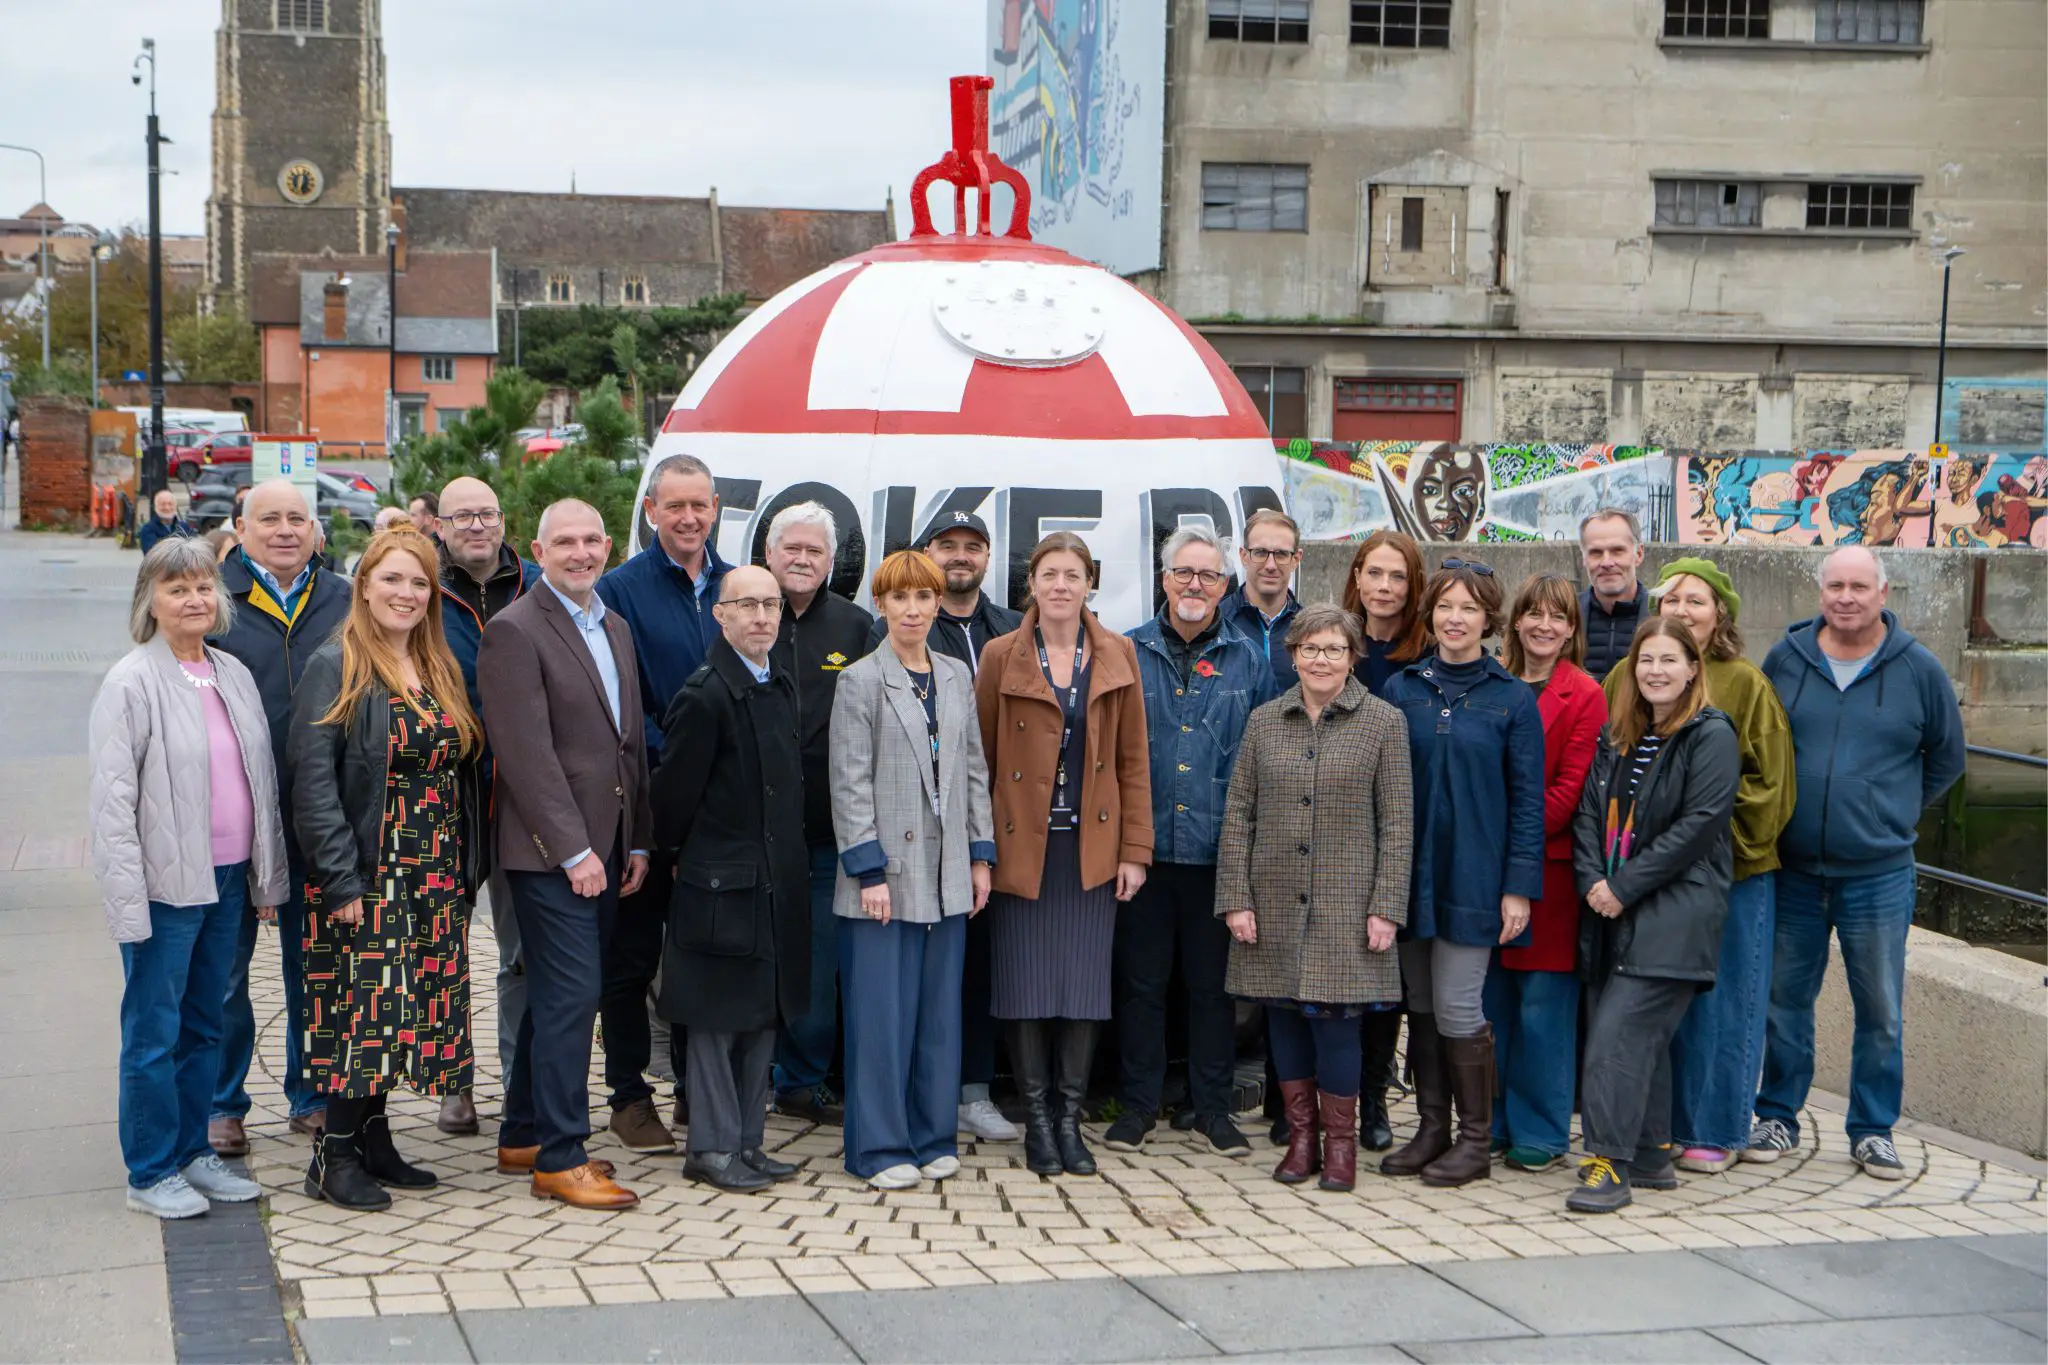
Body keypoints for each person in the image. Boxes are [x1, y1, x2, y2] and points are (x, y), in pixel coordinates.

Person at [1749, 547, 1965, 1179]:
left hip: (1878, 874)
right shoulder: (1785, 661)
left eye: (1859, 587)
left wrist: (1888, 812)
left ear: (1883, 592)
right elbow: (1759, 748)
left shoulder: (1919, 670)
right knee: (1784, 1000)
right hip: (1791, 869)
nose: (1846, 597)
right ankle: (1778, 1115)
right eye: (1835, 586)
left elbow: (1946, 759)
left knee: (1882, 1008)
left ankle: (1872, 1129)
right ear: (1820, 592)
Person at [285, 527, 484, 1210]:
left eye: (419, 583)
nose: (406, 593)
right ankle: (332, 1156)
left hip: (429, 870)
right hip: (369, 870)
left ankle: (374, 1139)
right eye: (392, 579)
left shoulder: (435, 665)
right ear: (363, 585)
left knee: (402, 1010)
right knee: (361, 1010)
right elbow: (312, 782)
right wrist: (339, 878)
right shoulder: (335, 665)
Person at [91, 539, 288, 1219]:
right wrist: (126, 901)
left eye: (204, 587)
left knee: (208, 1022)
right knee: (155, 1030)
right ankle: (150, 1169)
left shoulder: (231, 672)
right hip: (165, 886)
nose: (195, 599)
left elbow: (258, 781)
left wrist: (267, 878)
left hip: (228, 879)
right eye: (178, 589)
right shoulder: (131, 681)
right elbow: (112, 802)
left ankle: (192, 1152)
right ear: (150, 600)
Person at [479, 499, 653, 1210]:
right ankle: (561, 1154)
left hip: (611, 848)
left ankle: (523, 1129)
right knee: (573, 999)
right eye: (564, 542)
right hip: (551, 855)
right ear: (537, 549)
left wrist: (635, 836)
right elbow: (526, 756)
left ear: (608, 545)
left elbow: (628, 743)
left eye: (590, 540)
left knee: (561, 993)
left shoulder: (612, 624)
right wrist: (575, 850)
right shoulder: (514, 630)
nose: (579, 552)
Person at [1217, 605, 1412, 1193]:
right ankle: (1301, 1140)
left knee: (1336, 1025)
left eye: (1333, 649)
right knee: (1284, 1019)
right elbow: (1239, 815)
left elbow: (1398, 823)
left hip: (1348, 905)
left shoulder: (1383, 723)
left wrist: (1387, 907)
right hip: (1273, 897)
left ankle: (1342, 1146)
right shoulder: (1264, 722)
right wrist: (1235, 897)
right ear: (1292, 654)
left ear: (1353, 657)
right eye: (1309, 648)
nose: (1320, 659)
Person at [976, 533, 1152, 1177]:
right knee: (1024, 988)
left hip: (1091, 849)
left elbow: (1134, 760)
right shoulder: (1000, 656)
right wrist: (980, 849)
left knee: (1082, 991)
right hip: (1023, 847)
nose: (1060, 585)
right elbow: (983, 761)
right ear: (1032, 582)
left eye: (1072, 575)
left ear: (1090, 584)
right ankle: (1038, 1122)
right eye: (1049, 574)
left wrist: (1135, 850)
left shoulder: (1118, 654)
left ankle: (1071, 1120)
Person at [828, 551, 995, 1187]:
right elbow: (849, 784)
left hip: (947, 873)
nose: (914, 609)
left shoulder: (954, 676)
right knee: (881, 1017)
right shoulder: (861, 681)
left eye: (923, 598)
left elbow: (975, 771)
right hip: (885, 878)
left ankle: (932, 1136)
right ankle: (879, 1148)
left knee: (936, 1015)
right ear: (882, 605)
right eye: (900, 598)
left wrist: (981, 857)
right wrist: (870, 872)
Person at [1106, 527, 1273, 1158]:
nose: (1194, 585)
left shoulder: (1249, 662)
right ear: (1164, 579)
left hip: (1217, 856)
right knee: (1142, 987)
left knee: (1213, 991)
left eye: (1208, 576)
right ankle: (1140, 1105)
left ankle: (1212, 1108)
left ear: (1225, 587)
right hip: (1142, 855)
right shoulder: (1126, 652)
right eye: (1184, 573)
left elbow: (1260, 764)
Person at [1378, 559, 1544, 1187]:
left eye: (1469, 608)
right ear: (1431, 616)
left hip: (1476, 877)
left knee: (1456, 1003)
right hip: (1410, 876)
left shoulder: (1511, 698)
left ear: (1489, 619)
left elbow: (1528, 801)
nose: (1455, 619)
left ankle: (1476, 1140)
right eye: (1445, 607)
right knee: (1418, 1003)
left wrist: (1517, 888)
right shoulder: (1403, 690)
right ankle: (1431, 1129)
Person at [1568, 618, 1739, 1212]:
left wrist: (1623, 887)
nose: (1656, 671)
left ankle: (1606, 1164)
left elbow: (1700, 826)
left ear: (1694, 668)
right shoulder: (1620, 734)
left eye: (1670, 660)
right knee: (1636, 1038)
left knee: (1618, 1038)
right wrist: (1593, 880)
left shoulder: (1709, 735)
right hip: (1611, 908)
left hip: (1675, 910)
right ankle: (1648, 1156)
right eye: (1646, 660)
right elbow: (1590, 810)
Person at [651, 565, 812, 1193]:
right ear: (721, 615)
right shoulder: (705, 693)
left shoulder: (778, 684)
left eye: (771, 605)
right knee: (717, 1024)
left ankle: (747, 1142)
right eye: (747, 605)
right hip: (720, 889)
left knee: (759, 1016)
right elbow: (672, 799)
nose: (763, 617)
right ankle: (711, 1148)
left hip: (772, 884)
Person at [863, 510, 1022, 1143]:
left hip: (975, 835)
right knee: (901, 988)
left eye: (972, 546)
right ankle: (899, 1114)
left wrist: (983, 847)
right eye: (947, 546)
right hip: (900, 843)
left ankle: (969, 1095)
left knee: (971, 972)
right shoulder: (875, 656)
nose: (960, 556)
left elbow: (984, 753)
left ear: (987, 557)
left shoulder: (1010, 632)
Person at [208, 479, 352, 1153]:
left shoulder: (347, 600)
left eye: (299, 518)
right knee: (226, 970)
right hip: (235, 816)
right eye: (270, 518)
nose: (286, 529)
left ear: (318, 532)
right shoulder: (213, 599)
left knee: (315, 966)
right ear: (240, 526)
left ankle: (313, 1093)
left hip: (320, 816)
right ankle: (222, 1102)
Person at [1642, 558, 1797, 1175]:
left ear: (1720, 614)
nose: (1682, 610)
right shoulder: (1633, 673)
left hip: (1733, 869)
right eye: (1672, 598)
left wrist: (1703, 834)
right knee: (1659, 999)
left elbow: (1772, 785)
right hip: (1651, 872)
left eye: (1696, 601)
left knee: (1727, 998)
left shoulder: (1745, 684)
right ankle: (1662, 1124)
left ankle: (1718, 1126)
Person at [596, 453, 734, 1143]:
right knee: (631, 958)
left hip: (718, 811)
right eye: (673, 505)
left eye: (699, 504)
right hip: (644, 805)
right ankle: (627, 1094)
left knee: (700, 953)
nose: (687, 517)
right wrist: (683, 755)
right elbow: (622, 699)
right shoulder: (619, 590)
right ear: (651, 510)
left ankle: (693, 1086)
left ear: (715, 508)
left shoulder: (738, 587)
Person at [1484, 574, 1604, 1172]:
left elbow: (1570, 791)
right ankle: (1494, 1121)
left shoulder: (1584, 694)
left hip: (1550, 875)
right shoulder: (1492, 683)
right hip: (1482, 874)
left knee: (1542, 1007)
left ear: (1572, 628)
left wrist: (1503, 837)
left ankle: (1542, 1128)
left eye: (1558, 617)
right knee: (1492, 1003)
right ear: (1516, 621)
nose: (1545, 626)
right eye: (1534, 613)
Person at [434, 475, 541, 1136]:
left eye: (487, 513)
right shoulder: (422, 591)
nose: (476, 525)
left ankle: (519, 1086)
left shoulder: (537, 583)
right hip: (444, 793)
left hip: (523, 794)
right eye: (462, 516)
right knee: (443, 947)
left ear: (504, 520)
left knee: (520, 951)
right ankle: (453, 1083)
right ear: (440, 525)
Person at [764, 502, 875, 1126]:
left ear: (832, 562)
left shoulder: (858, 629)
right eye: (792, 549)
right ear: (771, 555)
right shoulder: (747, 616)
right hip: (754, 832)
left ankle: (802, 1081)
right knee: (757, 961)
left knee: (819, 964)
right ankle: (748, 1078)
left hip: (829, 835)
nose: (802, 560)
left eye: (815, 552)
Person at [1220, 509, 1304, 690]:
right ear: (1244, 556)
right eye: (1260, 552)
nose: (1270, 565)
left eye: (1281, 554)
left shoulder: (1311, 629)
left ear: (1296, 559)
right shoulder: (1217, 623)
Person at [1341, 530, 1429, 696]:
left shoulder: (1432, 656)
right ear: (1358, 577)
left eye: (1398, 576)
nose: (1384, 586)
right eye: (1374, 573)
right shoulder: (1335, 648)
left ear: (1414, 584)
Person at [1578, 509, 1649, 683]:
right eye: (1596, 552)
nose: (1607, 562)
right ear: (1584, 559)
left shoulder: (1663, 616)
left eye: (1617, 551)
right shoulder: (1565, 615)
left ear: (1638, 554)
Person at [138, 488, 196, 554]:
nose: (167, 508)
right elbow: (152, 554)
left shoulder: (184, 527)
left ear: (175, 506)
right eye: (163, 504)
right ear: (156, 507)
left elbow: (194, 550)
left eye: (170, 504)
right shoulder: (148, 529)